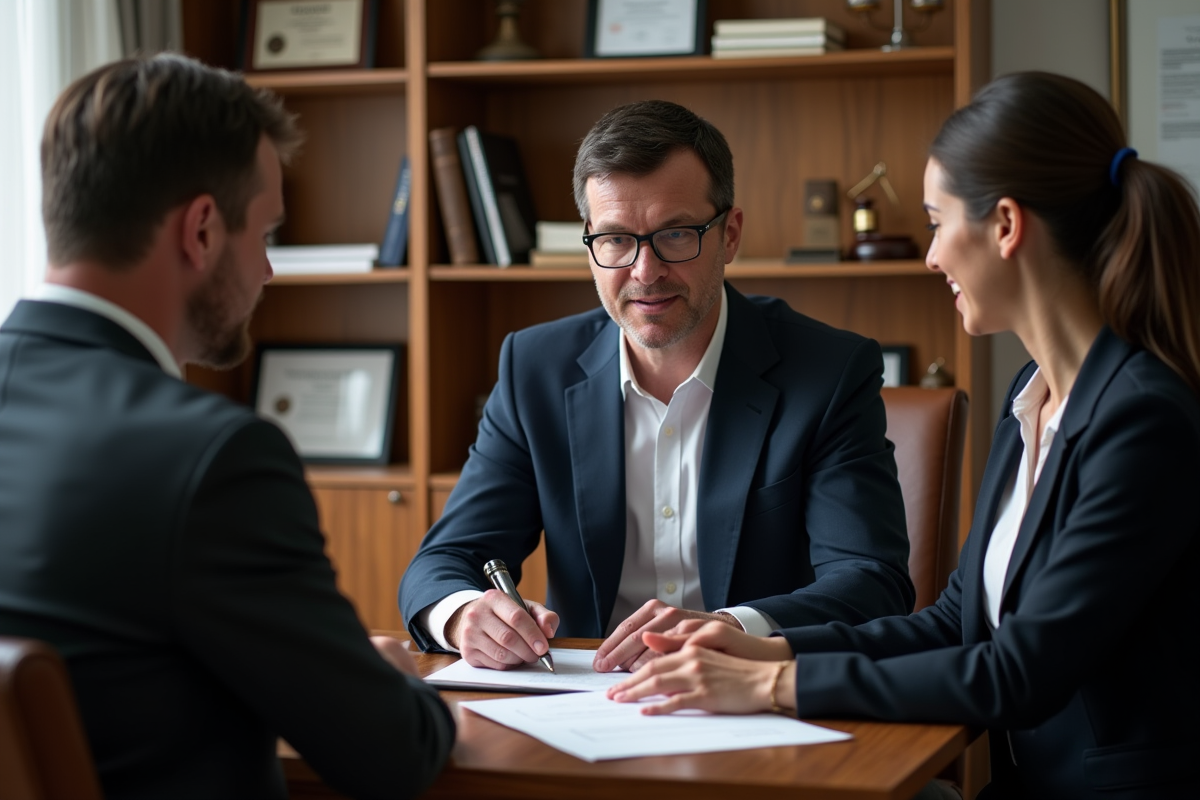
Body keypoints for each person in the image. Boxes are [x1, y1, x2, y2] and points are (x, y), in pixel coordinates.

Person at [606, 72, 1200, 799]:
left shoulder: (1141, 418)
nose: (931, 256)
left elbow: (1018, 673)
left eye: (936, 221)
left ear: (1006, 226)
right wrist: (768, 646)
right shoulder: (1032, 393)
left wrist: (772, 686)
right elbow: (959, 620)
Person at [0, 55, 454, 800]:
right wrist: (379, 678)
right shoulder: (209, 458)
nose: (269, 271)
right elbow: (393, 756)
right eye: (267, 232)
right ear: (203, 230)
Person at [399, 99, 914, 674]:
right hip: (588, 703)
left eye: (674, 234)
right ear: (590, 243)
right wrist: (464, 612)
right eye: (616, 239)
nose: (644, 272)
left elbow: (871, 582)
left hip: (758, 696)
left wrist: (729, 628)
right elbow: (446, 559)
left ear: (730, 234)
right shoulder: (535, 368)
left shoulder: (829, 373)